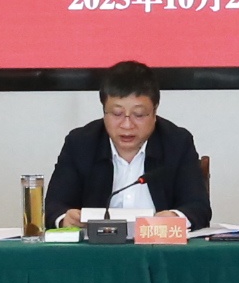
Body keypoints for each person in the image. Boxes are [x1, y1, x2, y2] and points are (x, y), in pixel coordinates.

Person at [41, 62, 214, 230]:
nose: (127, 125)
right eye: (117, 114)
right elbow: (54, 206)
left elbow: (198, 207)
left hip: (158, 246)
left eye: (138, 115)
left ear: (154, 111)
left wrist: (176, 217)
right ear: (104, 110)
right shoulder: (80, 143)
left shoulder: (177, 143)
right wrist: (65, 219)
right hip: (97, 248)